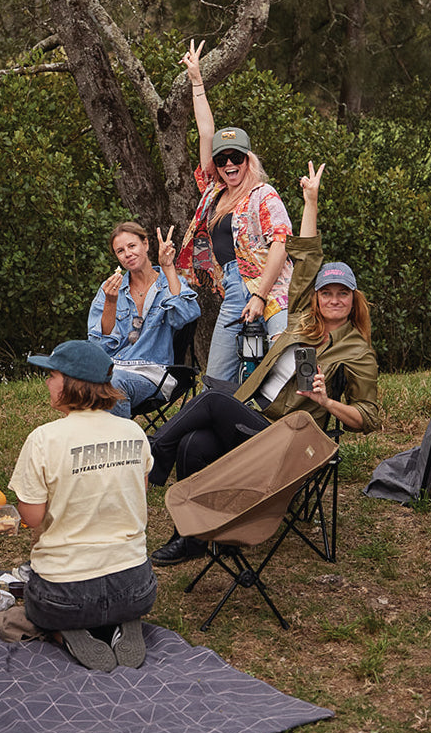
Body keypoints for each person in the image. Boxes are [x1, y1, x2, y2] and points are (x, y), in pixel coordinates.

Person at [150, 162, 382, 566]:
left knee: (213, 402)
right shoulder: (298, 323)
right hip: (250, 420)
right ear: (315, 297)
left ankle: (153, 453)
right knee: (194, 444)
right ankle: (192, 536)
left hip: (285, 440)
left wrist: (327, 403)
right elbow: (306, 256)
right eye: (326, 292)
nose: (333, 300)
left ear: (353, 300)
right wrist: (310, 201)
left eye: (342, 294)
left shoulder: (357, 352)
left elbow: (369, 417)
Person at [9, 340, 157, 671]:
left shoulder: (44, 439)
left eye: (51, 374)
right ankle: (125, 621)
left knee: (35, 602)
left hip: (64, 596)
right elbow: (139, 492)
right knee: (118, 596)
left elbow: (31, 518)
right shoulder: (133, 432)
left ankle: (68, 632)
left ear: (71, 382)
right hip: (136, 586)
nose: (46, 381)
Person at [176, 40, 294, 383]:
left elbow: (281, 245)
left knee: (282, 363)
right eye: (222, 158)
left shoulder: (262, 194)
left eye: (236, 158)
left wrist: (259, 294)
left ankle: (290, 429)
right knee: (218, 377)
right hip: (232, 287)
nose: (229, 163)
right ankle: (229, 432)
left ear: (248, 160)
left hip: (270, 287)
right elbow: (205, 133)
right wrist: (196, 81)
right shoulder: (213, 194)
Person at [88, 221, 201, 419]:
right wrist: (111, 302)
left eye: (132, 246)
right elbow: (100, 347)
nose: (128, 254)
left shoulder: (170, 282)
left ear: (146, 244)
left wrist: (168, 267)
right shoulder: (110, 290)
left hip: (154, 373)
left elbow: (186, 316)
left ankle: (125, 445)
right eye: (120, 251)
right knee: (78, 379)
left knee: (113, 384)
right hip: (114, 368)